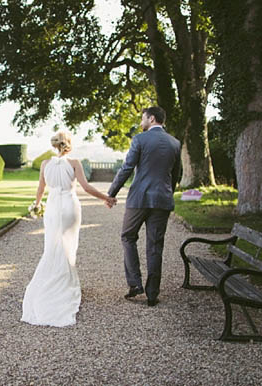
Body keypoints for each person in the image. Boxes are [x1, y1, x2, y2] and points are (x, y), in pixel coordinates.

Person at [21, 131, 116, 327]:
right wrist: (105, 197)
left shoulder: (46, 164)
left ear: (54, 145)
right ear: (68, 144)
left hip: (53, 208)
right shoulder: (74, 163)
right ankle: (65, 283)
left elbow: (40, 189)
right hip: (69, 207)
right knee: (68, 246)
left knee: (52, 246)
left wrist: (37, 205)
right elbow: (86, 187)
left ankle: (50, 282)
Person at [107, 106, 181, 307]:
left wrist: (111, 193)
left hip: (139, 199)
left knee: (128, 236)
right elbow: (177, 175)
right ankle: (152, 294)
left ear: (152, 118)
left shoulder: (140, 139)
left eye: (143, 119)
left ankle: (135, 284)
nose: (141, 123)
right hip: (162, 200)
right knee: (155, 246)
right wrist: (167, 192)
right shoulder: (175, 143)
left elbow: (127, 168)